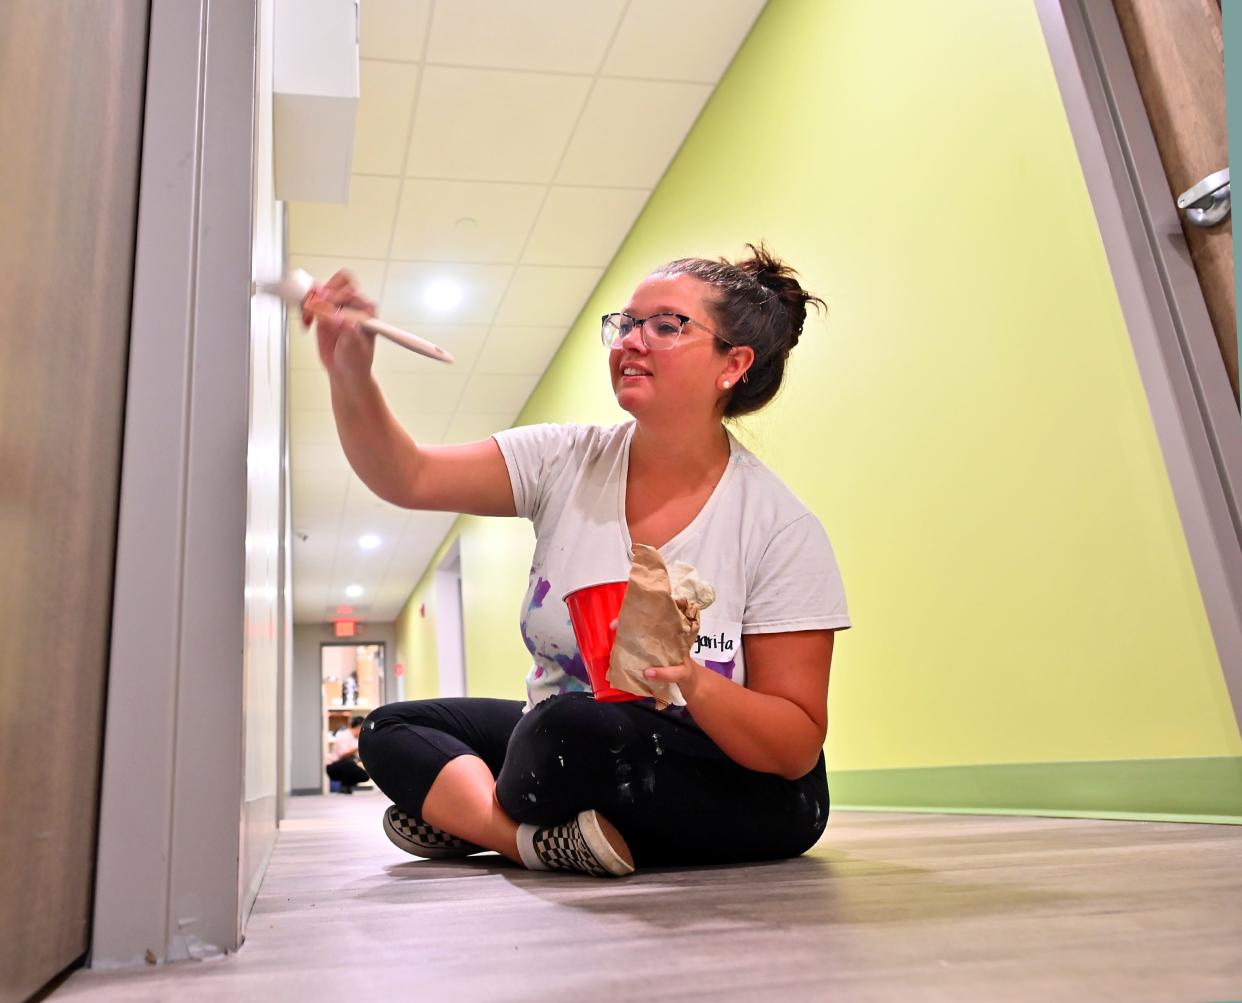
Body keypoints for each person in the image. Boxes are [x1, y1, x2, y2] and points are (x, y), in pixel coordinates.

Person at [309, 243, 851, 877]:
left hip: (725, 769)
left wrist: (692, 681)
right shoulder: (562, 459)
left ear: (731, 364)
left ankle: (475, 812)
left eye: (665, 325)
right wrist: (351, 374)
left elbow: (792, 745)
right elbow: (408, 476)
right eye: (625, 324)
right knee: (392, 728)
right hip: (565, 735)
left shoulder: (779, 527)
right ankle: (523, 836)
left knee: (562, 734)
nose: (631, 341)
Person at [325, 715, 369, 793]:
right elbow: (343, 755)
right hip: (333, 766)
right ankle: (344, 787)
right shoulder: (345, 735)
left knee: (365, 775)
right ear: (359, 726)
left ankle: (347, 787)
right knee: (349, 763)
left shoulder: (355, 738)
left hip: (347, 764)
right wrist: (357, 748)